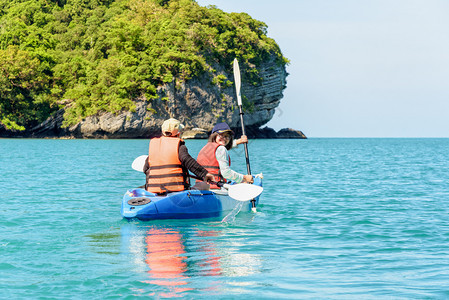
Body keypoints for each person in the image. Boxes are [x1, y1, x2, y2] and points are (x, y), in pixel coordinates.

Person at [144, 118, 214, 194]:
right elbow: (187, 161)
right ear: (178, 133)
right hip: (176, 190)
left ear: (163, 132)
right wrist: (205, 174)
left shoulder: (155, 147)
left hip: (155, 190)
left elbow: (145, 169)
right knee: (204, 186)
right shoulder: (179, 146)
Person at [196, 122, 253, 189]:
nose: (224, 138)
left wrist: (239, 141)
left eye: (227, 136)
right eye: (221, 135)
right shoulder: (221, 149)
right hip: (216, 188)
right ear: (214, 135)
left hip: (200, 187)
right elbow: (226, 173)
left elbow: (221, 149)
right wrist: (244, 178)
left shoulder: (206, 147)